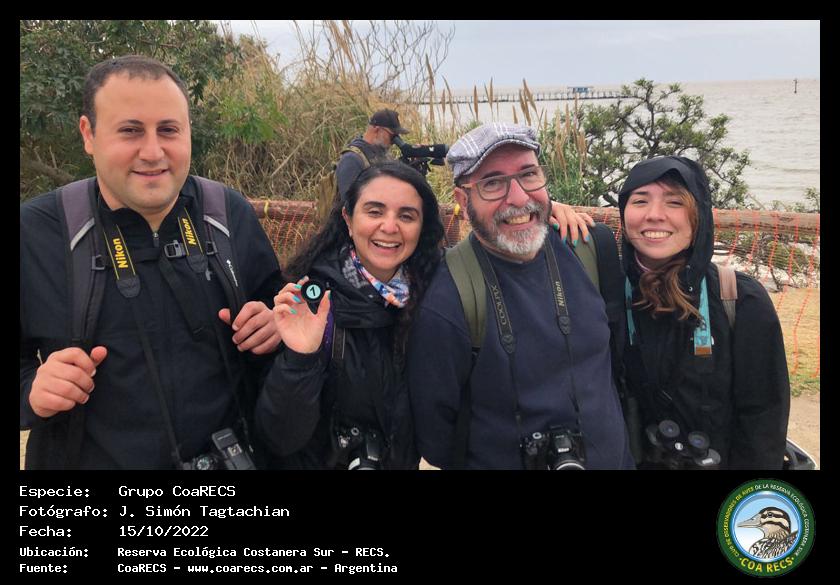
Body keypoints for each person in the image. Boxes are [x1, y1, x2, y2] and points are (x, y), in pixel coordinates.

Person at [20, 55, 283, 469]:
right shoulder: (36, 231)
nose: (153, 151)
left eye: (168, 130)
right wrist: (32, 392)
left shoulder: (228, 214)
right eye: (130, 131)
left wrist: (273, 325)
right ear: (88, 134)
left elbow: (277, 312)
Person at [406, 123, 634, 470]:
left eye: (528, 175)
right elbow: (437, 440)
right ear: (463, 201)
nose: (518, 197)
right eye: (492, 183)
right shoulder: (449, 297)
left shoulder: (590, 249)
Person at [256, 161, 445, 469]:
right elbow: (280, 438)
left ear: (422, 227)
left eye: (406, 216)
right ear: (348, 218)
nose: (389, 227)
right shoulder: (310, 302)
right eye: (374, 211)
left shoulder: (436, 294)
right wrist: (300, 359)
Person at [617, 156, 789, 469]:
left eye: (674, 202)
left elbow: (763, 424)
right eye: (640, 201)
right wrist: (555, 209)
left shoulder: (740, 300)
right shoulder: (607, 292)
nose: (654, 215)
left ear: (699, 216)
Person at [335, 109, 408, 202]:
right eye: (392, 136)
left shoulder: (381, 154)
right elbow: (349, 202)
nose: (394, 141)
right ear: (377, 130)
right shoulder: (352, 159)